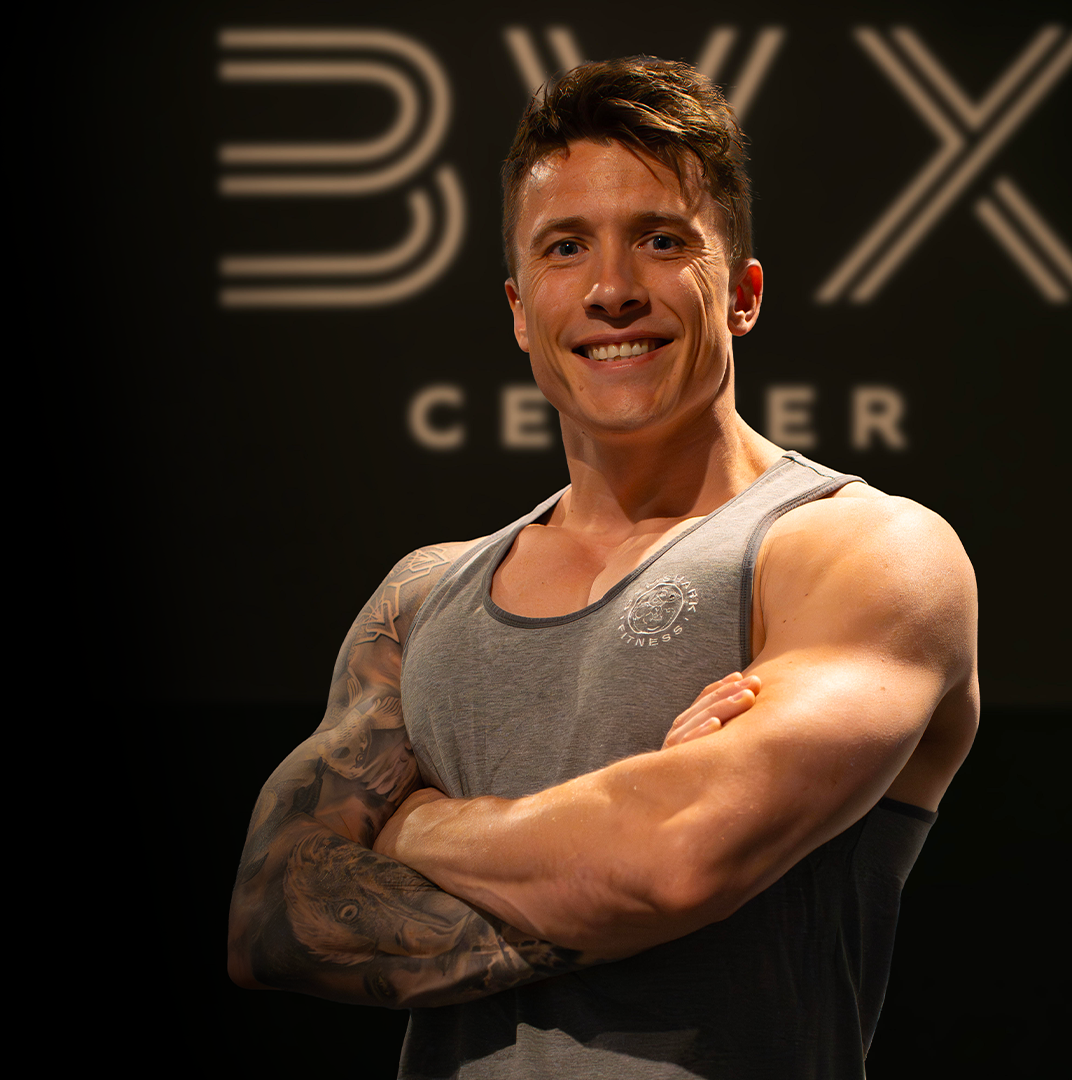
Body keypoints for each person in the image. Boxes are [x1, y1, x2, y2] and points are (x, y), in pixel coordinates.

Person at [228, 56, 978, 1078]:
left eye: (661, 241)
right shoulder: (421, 596)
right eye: (566, 247)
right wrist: (606, 849)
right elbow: (273, 917)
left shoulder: (856, 550)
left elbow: (672, 862)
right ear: (518, 308)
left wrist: (410, 831)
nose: (612, 290)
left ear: (743, 294)